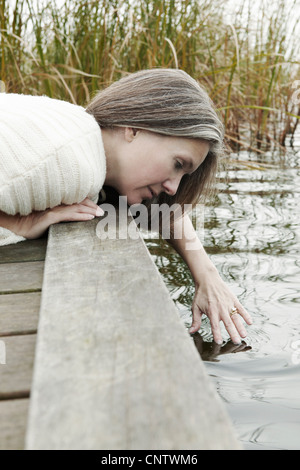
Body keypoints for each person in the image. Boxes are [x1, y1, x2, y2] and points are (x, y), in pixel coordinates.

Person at [0, 68, 252, 344]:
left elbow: (164, 211)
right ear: (133, 128)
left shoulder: (82, 136)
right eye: (178, 164)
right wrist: (15, 226)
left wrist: (207, 274)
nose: (173, 187)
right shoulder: (73, 164)